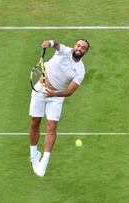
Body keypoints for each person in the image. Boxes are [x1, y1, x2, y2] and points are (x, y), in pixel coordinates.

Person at [29, 39, 90, 177]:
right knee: (34, 122)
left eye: (83, 47)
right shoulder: (65, 51)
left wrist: (54, 94)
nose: (80, 48)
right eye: (78, 45)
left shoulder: (80, 70)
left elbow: (69, 92)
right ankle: (34, 154)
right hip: (40, 89)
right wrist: (49, 43)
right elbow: (56, 44)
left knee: (51, 126)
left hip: (56, 96)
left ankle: (44, 161)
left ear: (86, 52)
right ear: (75, 46)